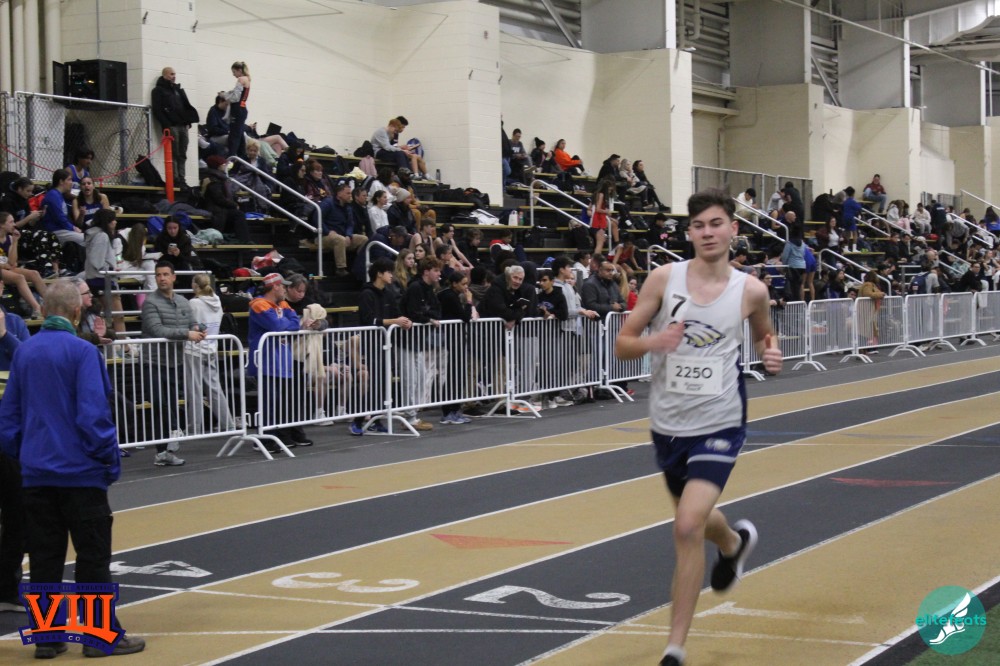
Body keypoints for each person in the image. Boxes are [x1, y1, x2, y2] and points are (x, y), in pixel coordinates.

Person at [614, 189, 782, 666]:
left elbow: (764, 335)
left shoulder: (751, 290)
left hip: (721, 421)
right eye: (698, 225)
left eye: (716, 223)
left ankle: (674, 648)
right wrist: (654, 342)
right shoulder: (664, 279)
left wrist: (771, 353)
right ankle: (733, 542)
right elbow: (622, 344)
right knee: (699, 521)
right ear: (689, 233)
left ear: (733, 229)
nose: (708, 233)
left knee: (686, 526)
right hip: (668, 424)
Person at [0, 279, 146, 658]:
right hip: (81, 474)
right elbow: (94, 416)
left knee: (44, 558)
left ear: (43, 310)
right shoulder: (83, 352)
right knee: (92, 556)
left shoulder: (24, 353)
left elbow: (8, 421)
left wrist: (26, 456)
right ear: (77, 311)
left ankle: (47, 638)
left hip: (36, 475)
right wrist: (108, 460)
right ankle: (98, 636)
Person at [142, 261, 205, 466]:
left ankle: (167, 447)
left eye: (165, 274)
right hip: (153, 362)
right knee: (159, 405)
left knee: (170, 405)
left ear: (174, 277)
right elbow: (157, 330)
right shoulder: (150, 302)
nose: (162, 278)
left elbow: (192, 323)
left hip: (174, 361)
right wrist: (187, 334)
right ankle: (162, 451)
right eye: (158, 275)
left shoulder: (183, 301)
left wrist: (198, 328)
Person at [248, 272, 313, 449]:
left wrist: (289, 324)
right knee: (269, 402)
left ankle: (277, 436)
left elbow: (293, 322)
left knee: (279, 402)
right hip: (265, 361)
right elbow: (278, 326)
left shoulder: (282, 304)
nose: (285, 289)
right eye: (283, 286)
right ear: (275, 287)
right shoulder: (258, 304)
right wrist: (289, 324)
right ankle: (266, 439)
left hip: (280, 361)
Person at [184, 273, 236, 436]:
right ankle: (228, 424)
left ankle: (194, 428)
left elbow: (188, 324)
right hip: (211, 347)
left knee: (195, 390)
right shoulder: (217, 301)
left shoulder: (194, 303)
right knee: (214, 388)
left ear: (195, 285)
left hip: (194, 349)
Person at [150, 66, 199, 185]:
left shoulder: (177, 90)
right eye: (171, 74)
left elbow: (185, 106)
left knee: (182, 153)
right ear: (165, 75)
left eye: (174, 74)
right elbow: (157, 110)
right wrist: (166, 125)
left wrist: (188, 121)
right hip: (172, 125)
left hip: (182, 125)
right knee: (174, 153)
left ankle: (182, 178)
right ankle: (175, 178)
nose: (174, 76)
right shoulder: (158, 91)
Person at [84, 208, 126, 338]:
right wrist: (111, 269)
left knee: (103, 317)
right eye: (113, 220)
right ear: (106, 221)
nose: (115, 222)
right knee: (118, 315)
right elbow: (97, 261)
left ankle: (112, 343)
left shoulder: (94, 234)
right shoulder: (102, 236)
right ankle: (124, 345)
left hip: (96, 279)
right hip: (103, 280)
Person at [0, 211, 45, 318]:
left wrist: (15, 241)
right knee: (19, 278)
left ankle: (51, 304)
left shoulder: (10, 238)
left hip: (7, 268)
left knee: (34, 273)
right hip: (1, 269)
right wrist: (4, 265)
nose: (14, 225)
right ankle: (37, 308)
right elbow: (8, 264)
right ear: (2, 225)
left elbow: (12, 262)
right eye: (11, 222)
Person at [201, 155, 251, 242]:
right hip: (216, 210)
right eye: (223, 164)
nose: (225, 166)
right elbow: (219, 198)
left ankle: (241, 239)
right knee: (239, 215)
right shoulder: (214, 180)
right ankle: (244, 240)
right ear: (218, 166)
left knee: (239, 212)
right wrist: (234, 205)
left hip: (219, 208)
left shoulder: (216, 178)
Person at [41, 169, 85, 247]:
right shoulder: (53, 195)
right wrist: (73, 228)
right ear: (61, 181)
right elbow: (59, 217)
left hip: (62, 229)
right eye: (69, 180)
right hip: (55, 231)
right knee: (86, 239)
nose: (71, 182)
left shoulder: (58, 195)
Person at [224, 61, 251, 159]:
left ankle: (231, 158)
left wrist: (225, 96)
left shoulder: (241, 79)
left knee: (234, 135)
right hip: (242, 109)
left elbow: (235, 97)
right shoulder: (248, 79)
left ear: (239, 70)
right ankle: (242, 156)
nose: (233, 75)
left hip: (238, 110)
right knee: (240, 135)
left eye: (234, 72)